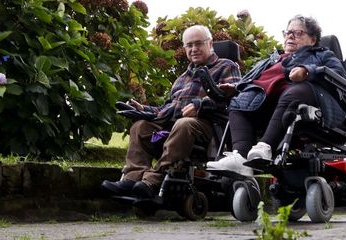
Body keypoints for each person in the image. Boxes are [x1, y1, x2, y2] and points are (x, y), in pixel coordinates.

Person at [101, 25, 241, 199]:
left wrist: (201, 105)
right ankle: (132, 178)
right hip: (175, 125)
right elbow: (168, 108)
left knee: (184, 123)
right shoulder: (182, 77)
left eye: (198, 43)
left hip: (208, 126)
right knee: (140, 126)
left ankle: (153, 180)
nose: (194, 49)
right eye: (189, 45)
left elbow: (234, 98)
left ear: (210, 43)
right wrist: (144, 109)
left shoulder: (226, 66)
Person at [206, 15, 346, 176]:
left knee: (296, 90)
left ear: (313, 39)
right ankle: (240, 157)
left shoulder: (322, 54)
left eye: (298, 32)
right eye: (287, 33)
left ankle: (265, 147)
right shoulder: (271, 60)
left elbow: (339, 74)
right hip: (265, 103)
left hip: (304, 99)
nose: (290, 36)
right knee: (238, 101)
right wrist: (234, 87)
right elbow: (249, 80)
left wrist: (308, 71)